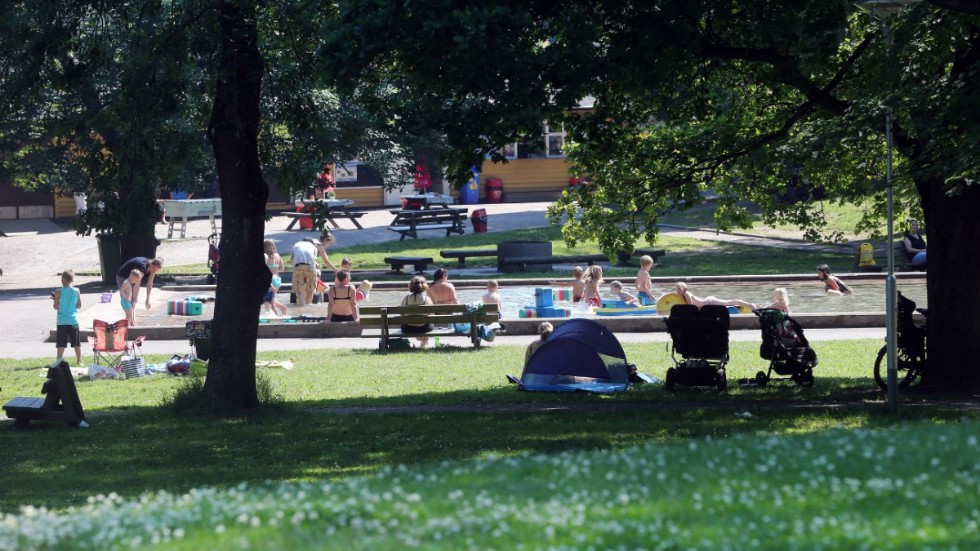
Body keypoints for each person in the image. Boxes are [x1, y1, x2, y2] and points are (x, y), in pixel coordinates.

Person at [292, 231, 337, 307]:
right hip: (309, 267)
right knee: (310, 290)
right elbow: (326, 261)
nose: (329, 246)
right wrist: (337, 271)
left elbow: (294, 259)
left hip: (297, 265)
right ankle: (308, 308)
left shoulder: (302, 243)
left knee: (300, 290)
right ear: (326, 240)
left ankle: (302, 309)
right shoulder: (319, 245)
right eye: (329, 243)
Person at [52, 269, 83, 366]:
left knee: (61, 343)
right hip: (73, 320)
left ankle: (58, 360)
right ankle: (79, 361)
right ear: (71, 280)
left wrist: (56, 299)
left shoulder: (58, 291)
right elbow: (79, 306)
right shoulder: (76, 290)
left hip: (62, 321)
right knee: (76, 343)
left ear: (62, 279)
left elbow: (56, 307)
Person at [401, 275, 433, 347]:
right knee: (428, 323)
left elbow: (402, 315)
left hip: (408, 328)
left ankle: (422, 341)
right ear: (424, 286)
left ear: (411, 286)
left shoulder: (405, 298)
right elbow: (432, 315)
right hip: (423, 328)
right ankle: (424, 343)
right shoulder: (427, 299)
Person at [674, 281, 755, 309]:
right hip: (708, 302)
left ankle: (749, 304)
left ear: (684, 288)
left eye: (679, 288)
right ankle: (740, 306)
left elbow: (691, 307)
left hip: (710, 302)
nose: (677, 290)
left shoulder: (687, 294)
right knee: (728, 303)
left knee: (729, 302)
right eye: (677, 288)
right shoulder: (683, 295)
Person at [263, 239, 288, 316]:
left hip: (270, 281)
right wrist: (275, 270)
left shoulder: (266, 257)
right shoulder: (277, 256)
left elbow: (263, 270)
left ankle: (275, 319)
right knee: (270, 299)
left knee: (270, 303)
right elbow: (282, 268)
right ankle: (282, 308)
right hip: (277, 280)